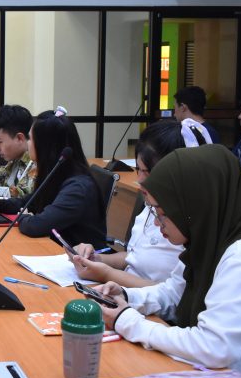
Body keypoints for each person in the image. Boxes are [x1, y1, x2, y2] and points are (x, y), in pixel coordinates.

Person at [95, 144, 241, 378]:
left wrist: (128, 322)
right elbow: (173, 293)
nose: (157, 223)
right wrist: (126, 297)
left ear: (194, 206)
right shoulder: (207, 240)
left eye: (163, 213)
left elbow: (214, 347)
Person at [70, 120, 200, 288]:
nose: (139, 180)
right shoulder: (150, 206)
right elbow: (134, 258)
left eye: (147, 171)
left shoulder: (188, 225)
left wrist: (107, 274)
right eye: (138, 169)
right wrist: (96, 259)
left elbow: (171, 295)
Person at [0, 110, 106, 248]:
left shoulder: (78, 187)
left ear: (45, 145)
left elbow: (36, 226)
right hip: (55, 250)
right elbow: (27, 203)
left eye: (30, 139)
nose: (27, 143)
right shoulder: (55, 174)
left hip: (78, 258)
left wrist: (23, 217)